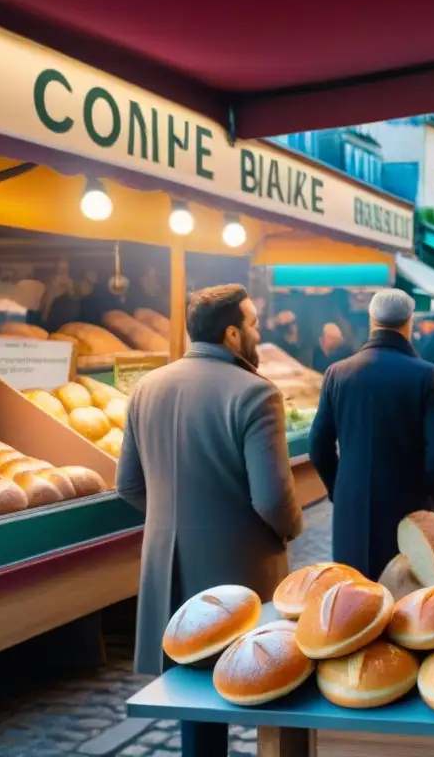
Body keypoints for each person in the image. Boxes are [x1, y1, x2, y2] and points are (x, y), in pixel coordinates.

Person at [117, 284, 302, 751]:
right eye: (255, 323)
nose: (260, 332)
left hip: (168, 566)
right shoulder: (257, 394)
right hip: (239, 572)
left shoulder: (145, 388)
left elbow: (129, 486)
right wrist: (292, 530)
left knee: (189, 694)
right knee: (272, 681)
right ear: (233, 333)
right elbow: (273, 501)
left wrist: (173, 519)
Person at [308, 289, 434, 579]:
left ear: (372, 320)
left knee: (355, 592)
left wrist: (339, 488)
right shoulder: (424, 374)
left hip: (352, 502)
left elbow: (318, 445)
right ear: (409, 321)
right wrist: (430, 498)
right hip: (407, 501)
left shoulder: (338, 372)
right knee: (405, 589)